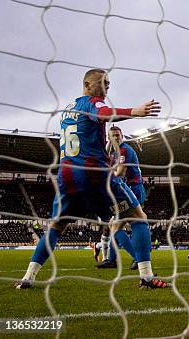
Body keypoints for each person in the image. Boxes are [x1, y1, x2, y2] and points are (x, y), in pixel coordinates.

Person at [16, 68, 168, 289]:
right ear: (87, 85)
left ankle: (27, 278)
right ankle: (146, 277)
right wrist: (136, 111)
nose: (106, 87)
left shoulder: (68, 110)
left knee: (56, 227)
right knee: (138, 218)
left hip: (67, 177)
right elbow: (103, 112)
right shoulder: (92, 103)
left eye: (108, 84)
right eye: (102, 83)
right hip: (94, 175)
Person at [96, 126, 144, 270]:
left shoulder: (124, 150)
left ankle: (137, 258)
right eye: (113, 136)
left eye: (118, 135)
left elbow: (121, 172)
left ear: (122, 135)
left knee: (117, 227)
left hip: (132, 190)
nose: (116, 137)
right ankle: (113, 260)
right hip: (126, 190)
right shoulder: (115, 153)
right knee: (115, 226)